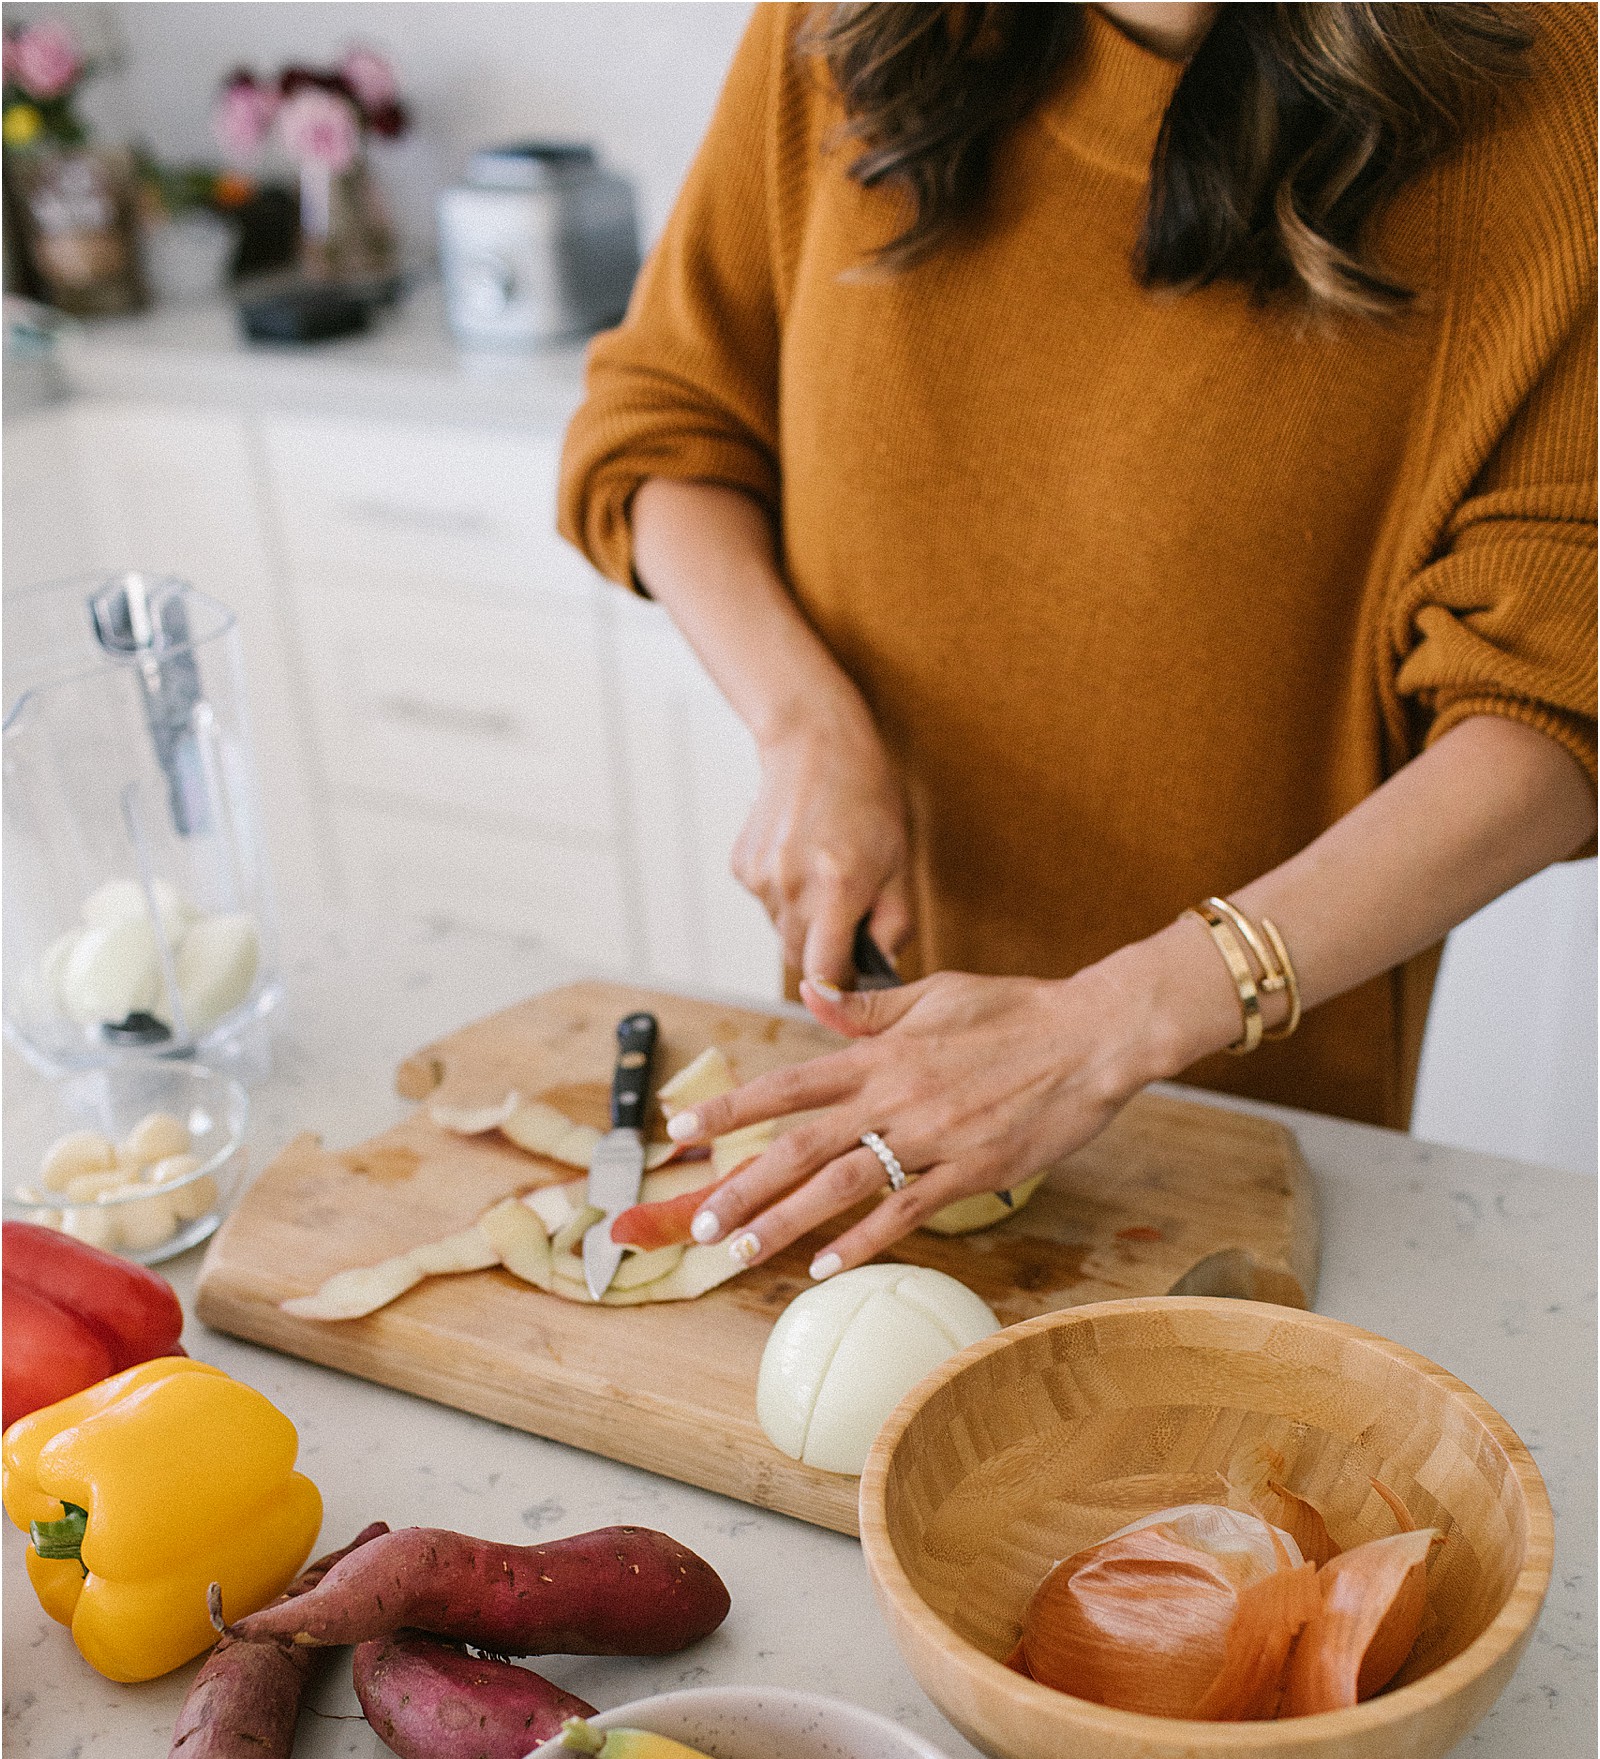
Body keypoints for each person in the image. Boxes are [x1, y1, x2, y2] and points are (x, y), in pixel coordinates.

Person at [559, 2, 1595, 1281]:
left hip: (1244, 1153)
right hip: (860, 1099)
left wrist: (1109, 1023)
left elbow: (1553, 711)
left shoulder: (1550, 102)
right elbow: (667, 424)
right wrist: (801, 723)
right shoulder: (830, 26)